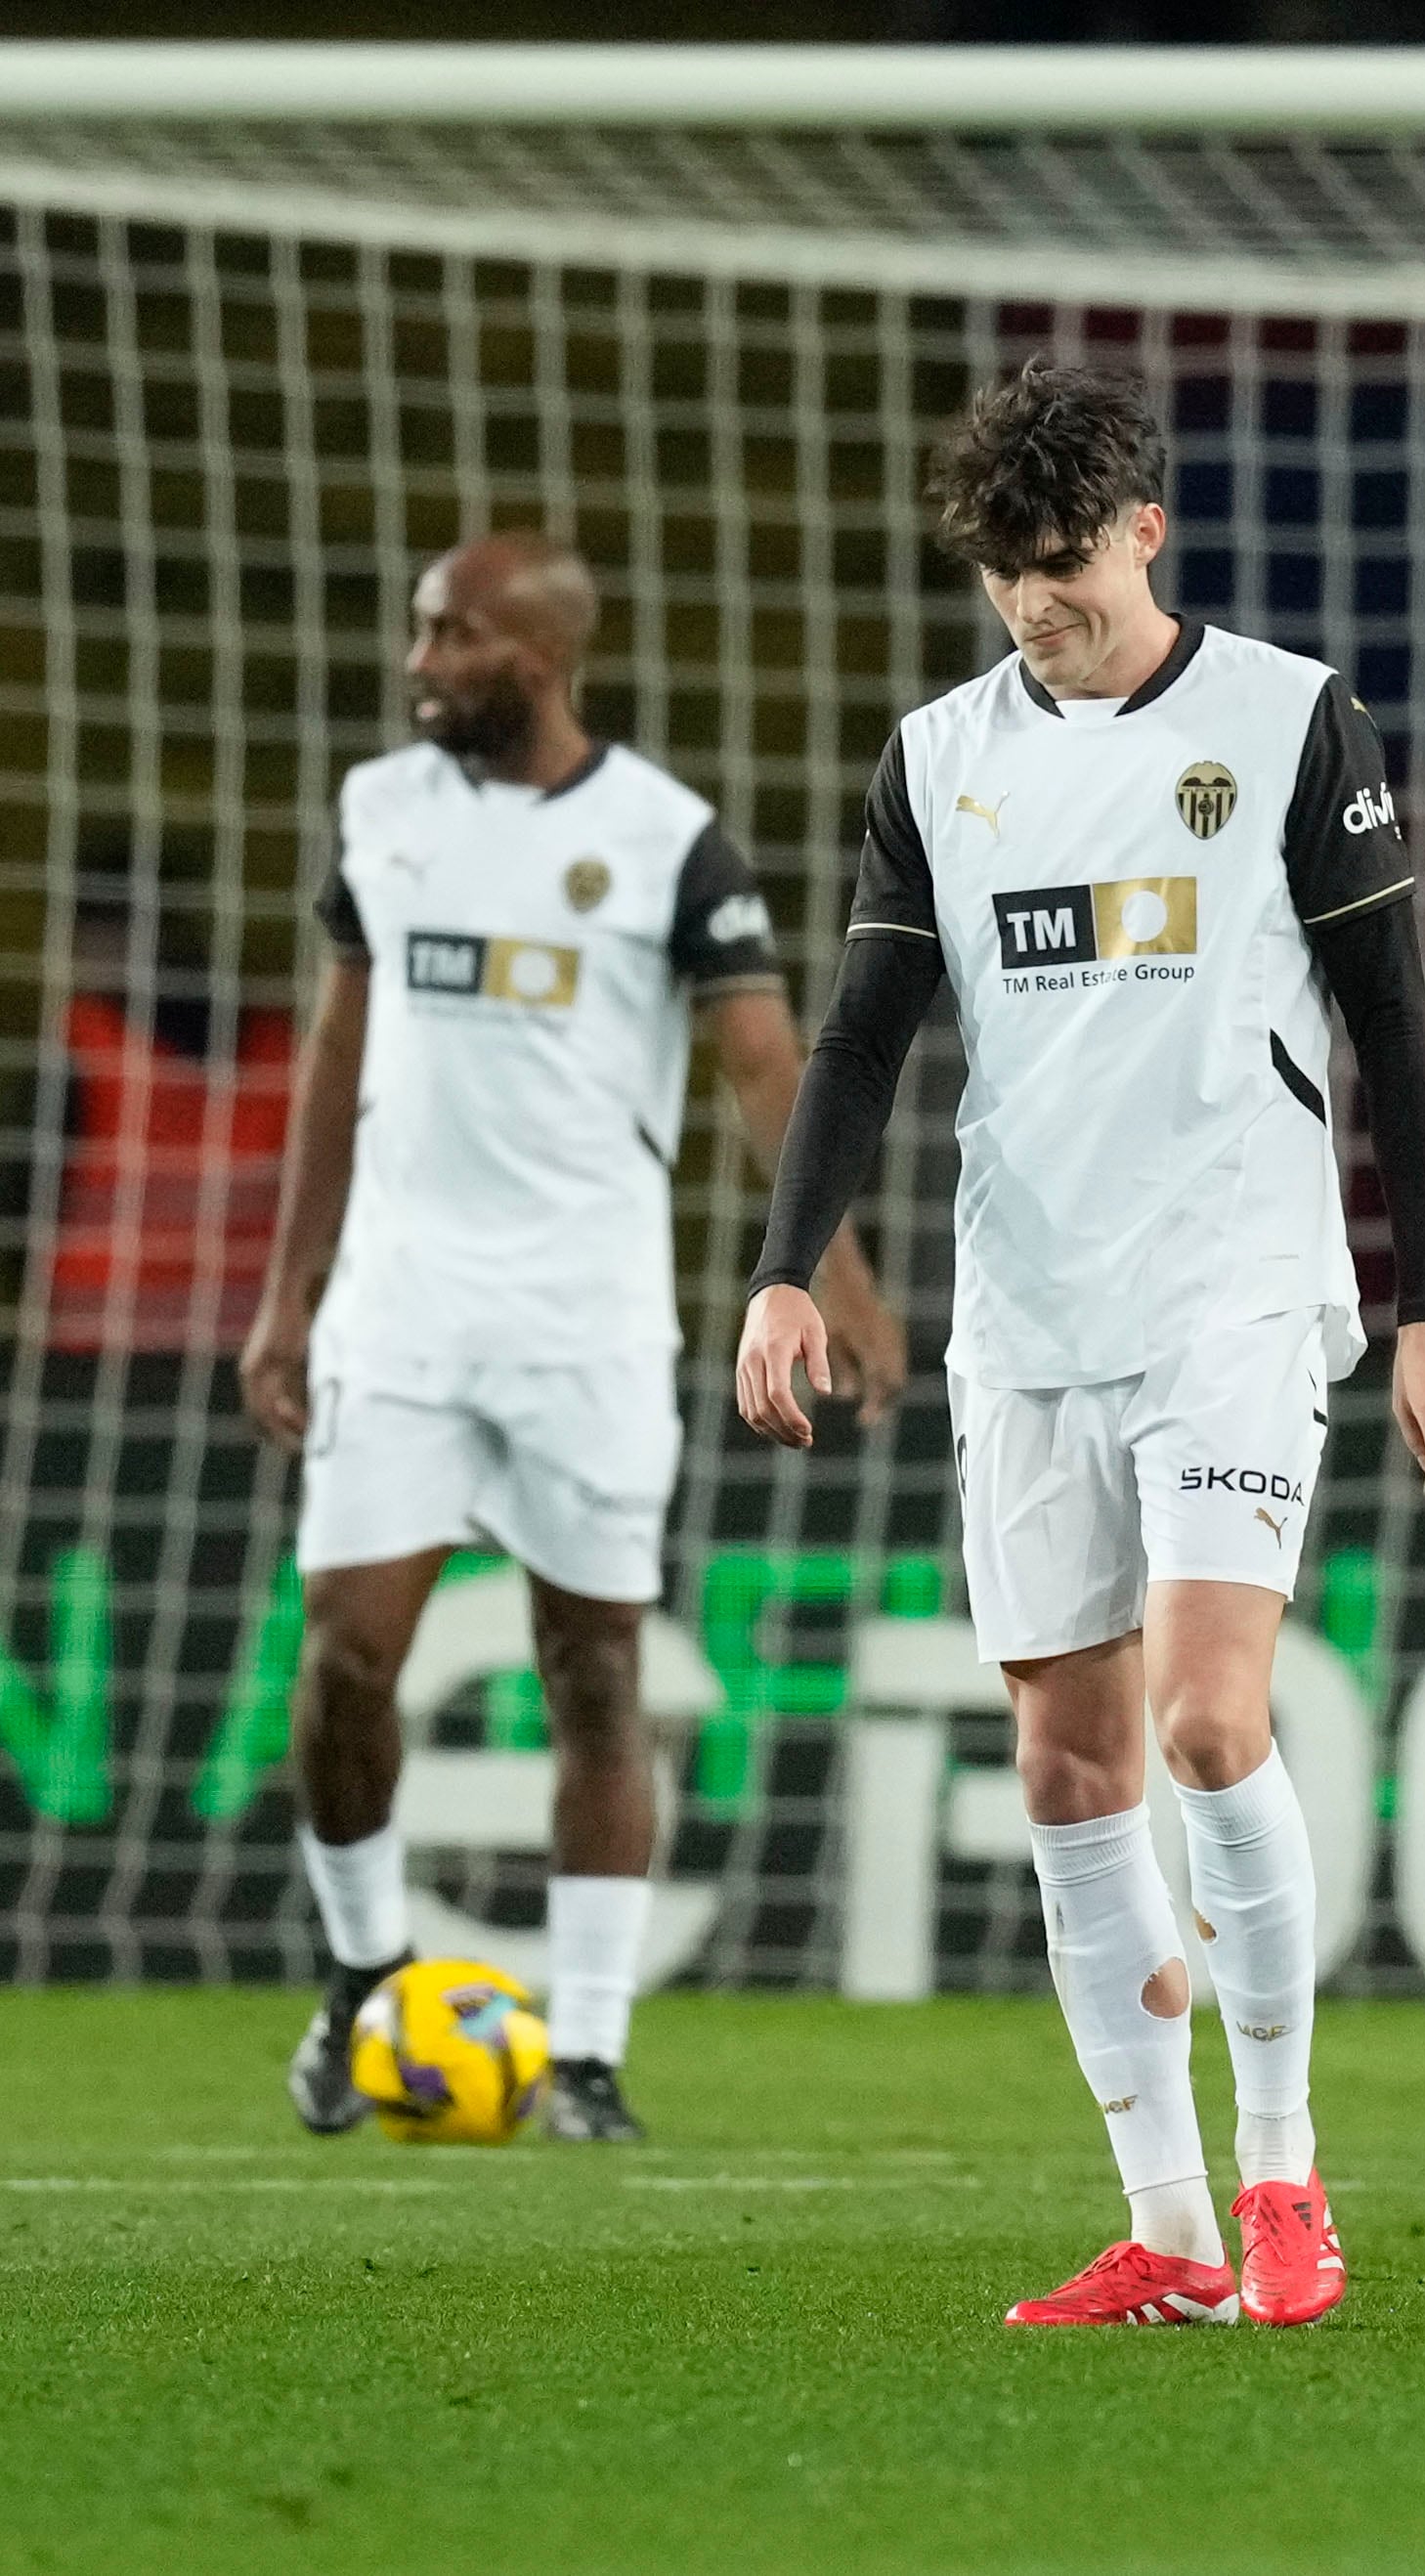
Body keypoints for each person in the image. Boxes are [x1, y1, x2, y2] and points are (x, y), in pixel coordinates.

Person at [737, 358, 1425, 2330]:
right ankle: (1161, 2223)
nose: (1032, 603)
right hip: (1031, 1318)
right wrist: (780, 1268)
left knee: (1204, 1721)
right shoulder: (937, 757)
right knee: (1070, 1768)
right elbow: (857, 1038)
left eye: (1062, 563)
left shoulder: (1283, 719)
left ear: (1145, 528)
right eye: (1002, 572)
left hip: (1233, 1296)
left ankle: (1280, 2182)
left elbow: (1394, 1029)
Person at [241, 532, 905, 2148]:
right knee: (344, 1657)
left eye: (445, 636)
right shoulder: (379, 814)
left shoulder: (666, 843)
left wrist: (837, 1275)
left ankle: (590, 2056)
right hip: (401, 1305)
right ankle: (364, 1980)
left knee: (597, 1675)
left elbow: (762, 1066)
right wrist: (291, 1287)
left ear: (533, 657)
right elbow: (340, 1048)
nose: (417, 666)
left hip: (587, 1322)